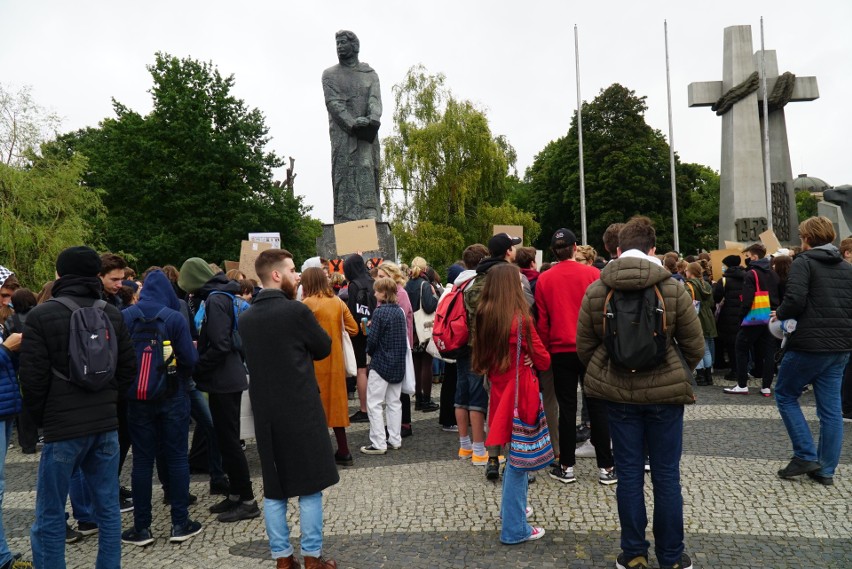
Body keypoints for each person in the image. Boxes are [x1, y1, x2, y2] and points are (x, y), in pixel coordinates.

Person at [577, 216, 703, 569]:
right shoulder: (674, 287)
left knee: (629, 474)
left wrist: (611, 371)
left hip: (618, 396)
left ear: (617, 250)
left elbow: (585, 346)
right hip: (665, 398)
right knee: (666, 476)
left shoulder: (598, 289)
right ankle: (672, 557)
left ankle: (633, 553)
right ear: (653, 249)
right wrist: (673, 371)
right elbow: (694, 348)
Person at [20, 246, 136, 569]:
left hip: (62, 430)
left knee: (50, 514)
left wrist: (43, 420)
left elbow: (31, 380)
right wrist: (107, 401)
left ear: (60, 275)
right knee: (109, 509)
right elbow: (128, 369)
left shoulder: (42, 315)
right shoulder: (112, 312)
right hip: (105, 427)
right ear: (94, 276)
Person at [240, 249, 339, 569]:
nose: (298, 276)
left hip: (266, 413)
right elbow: (323, 347)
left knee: (275, 489)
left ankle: (283, 559)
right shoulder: (295, 312)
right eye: (293, 270)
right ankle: (312, 558)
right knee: (310, 488)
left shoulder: (246, 317)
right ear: (277, 275)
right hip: (300, 408)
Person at [120, 270, 202, 546]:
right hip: (173, 395)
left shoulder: (125, 315)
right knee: (177, 457)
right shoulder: (174, 317)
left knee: (142, 461)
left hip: (136, 398)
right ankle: (180, 523)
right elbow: (189, 360)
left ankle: (141, 528)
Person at [472, 264, 550, 545]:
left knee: (512, 455)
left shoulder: (483, 315)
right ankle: (515, 527)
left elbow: (480, 359)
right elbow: (543, 359)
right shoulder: (521, 319)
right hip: (522, 392)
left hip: (500, 391)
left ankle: (512, 511)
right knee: (520, 460)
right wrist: (529, 357)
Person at [178, 258, 259, 523]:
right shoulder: (224, 295)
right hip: (229, 376)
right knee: (227, 439)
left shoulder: (215, 300)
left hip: (223, 380)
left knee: (229, 442)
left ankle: (247, 500)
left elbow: (220, 344)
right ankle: (236, 494)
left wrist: (197, 366)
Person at [774, 217, 852, 485]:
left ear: (807, 238)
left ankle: (805, 454)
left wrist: (779, 315)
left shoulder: (803, 263)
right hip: (841, 346)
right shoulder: (847, 267)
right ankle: (826, 470)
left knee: (785, 394)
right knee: (831, 411)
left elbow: (794, 300)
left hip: (809, 344)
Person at [535, 229, 615, 485]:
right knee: (598, 406)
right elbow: (605, 314)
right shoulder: (593, 274)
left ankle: (567, 465)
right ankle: (606, 467)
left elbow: (543, 322)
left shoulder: (545, 279)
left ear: (553, 252)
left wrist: (546, 350)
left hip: (560, 351)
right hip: (591, 350)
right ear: (575, 247)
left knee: (566, 409)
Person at [322, 30, 383, 223]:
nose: (339, 47)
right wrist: (352, 122)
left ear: (354, 46)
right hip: (343, 133)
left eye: (342, 43)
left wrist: (372, 118)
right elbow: (333, 103)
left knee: (367, 166)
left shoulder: (369, 74)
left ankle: (370, 213)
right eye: (337, 44)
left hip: (366, 133)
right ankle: (344, 218)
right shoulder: (330, 75)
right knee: (343, 171)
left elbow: (375, 100)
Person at [300, 267, 359, 466]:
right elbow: (353, 328)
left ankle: (320, 455)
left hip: (314, 363)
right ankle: (344, 451)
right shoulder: (337, 301)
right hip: (336, 361)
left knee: (315, 409)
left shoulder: (307, 304)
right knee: (336, 408)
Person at [723, 243, 780, 396]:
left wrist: (742, 317)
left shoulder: (751, 274)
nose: (746, 259)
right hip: (770, 316)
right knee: (769, 351)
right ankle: (766, 386)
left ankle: (742, 384)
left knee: (741, 348)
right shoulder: (773, 273)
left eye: (747, 256)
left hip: (754, 317)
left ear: (754, 256)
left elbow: (747, 300)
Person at [361, 277, 407, 455]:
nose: (374, 293)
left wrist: (369, 348)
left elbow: (372, 341)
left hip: (381, 363)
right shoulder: (399, 312)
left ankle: (379, 442)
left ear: (384, 293)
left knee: (374, 403)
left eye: (377, 291)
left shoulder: (380, 312)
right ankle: (395, 439)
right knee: (394, 402)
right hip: (397, 362)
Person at [376, 262, 415, 437]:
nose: (378, 279)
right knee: (394, 388)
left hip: (400, 344)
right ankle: (395, 424)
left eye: (381, 276)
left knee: (401, 385)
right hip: (390, 344)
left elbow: (399, 318)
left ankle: (405, 424)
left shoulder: (401, 293)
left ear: (392, 276)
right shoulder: (386, 292)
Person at [342, 255, 376, 424]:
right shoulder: (372, 280)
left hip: (359, 331)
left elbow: (352, 311)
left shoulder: (354, 285)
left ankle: (364, 409)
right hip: (373, 328)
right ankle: (373, 405)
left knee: (361, 370)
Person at [404, 257, 439, 412]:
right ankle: (426, 400)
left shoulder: (406, 285)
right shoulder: (425, 285)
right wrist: (436, 296)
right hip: (423, 329)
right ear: (425, 269)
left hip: (411, 330)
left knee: (416, 365)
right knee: (427, 364)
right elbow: (429, 306)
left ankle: (418, 399)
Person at [713, 255, 746, 380]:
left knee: (732, 344)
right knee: (743, 344)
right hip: (744, 314)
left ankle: (735, 371)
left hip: (728, 316)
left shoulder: (724, 281)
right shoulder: (747, 277)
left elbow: (717, 298)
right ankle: (743, 370)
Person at [684, 262, 718, 386]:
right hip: (708, 318)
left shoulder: (688, 286)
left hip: (696, 318)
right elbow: (711, 303)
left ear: (690, 272)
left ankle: (701, 376)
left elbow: (686, 304)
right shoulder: (707, 285)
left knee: (697, 349)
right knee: (707, 349)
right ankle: (709, 376)